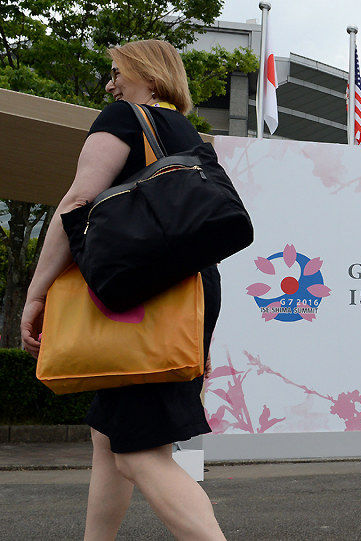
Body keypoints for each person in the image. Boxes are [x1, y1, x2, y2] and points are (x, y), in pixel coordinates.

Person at [21, 40, 226, 539]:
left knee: (139, 454)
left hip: (140, 293)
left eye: (116, 73)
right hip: (188, 290)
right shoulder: (190, 137)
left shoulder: (123, 117)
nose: (110, 85)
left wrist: (36, 292)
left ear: (149, 77)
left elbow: (78, 200)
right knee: (108, 438)